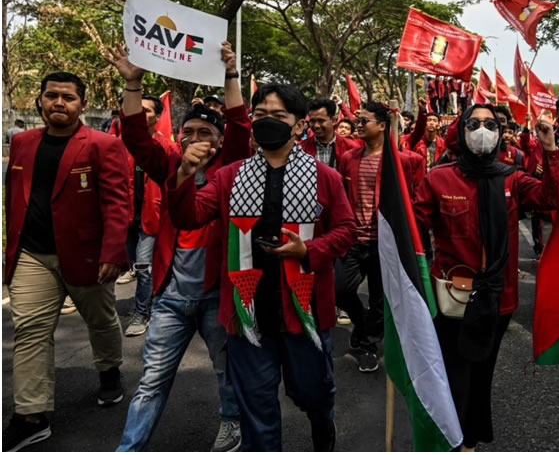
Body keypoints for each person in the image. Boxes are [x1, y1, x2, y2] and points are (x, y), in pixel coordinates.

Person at [166, 82, 356, 451]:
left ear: (299, 125)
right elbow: (188, 217)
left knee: (314, 394)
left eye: (279, 116)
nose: (268, 122)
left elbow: (347, 231)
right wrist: (184, 175)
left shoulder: (324, 177)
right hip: (247, 314)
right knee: (257, 409)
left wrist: (308, 250)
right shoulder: (229, 176)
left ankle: (323, 425)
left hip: (305, 314)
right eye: (261, 114)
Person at [106, 42, 251, 451]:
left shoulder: (233, 170)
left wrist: (230, 75)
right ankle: (129, 447)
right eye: (188, 133)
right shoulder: (169, 165)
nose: (194, 140)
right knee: (151, 380)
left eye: (205, 134)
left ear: (221, 143)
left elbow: (240, 126)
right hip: (170, 298)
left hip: (216, 296)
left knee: (227, 371)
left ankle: (231, 423)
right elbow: (136, 138)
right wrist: (133, 84)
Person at [414, 103, 559, 451]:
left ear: (500, 133)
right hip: (451, 297)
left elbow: (551, 198)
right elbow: (413, 228)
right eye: (475, 123)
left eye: (491, 124)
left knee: (481, 371)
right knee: (454, 371)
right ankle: (448, 436)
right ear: (462, 131)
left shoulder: (511, 176)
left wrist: (550, 149)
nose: (483, 130)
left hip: (499, 296)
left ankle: (469, 438)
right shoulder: (439, 178)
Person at [3, 72, 130, 452]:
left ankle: (109, 371)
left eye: (68, 97)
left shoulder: (103, 145)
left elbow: (117, 203)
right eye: (51, 96)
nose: (59, 102)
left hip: (87, 256)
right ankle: (31, 415)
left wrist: (112, 252)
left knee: (101, 320)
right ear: (40, 101)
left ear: (81, 104)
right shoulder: (22, 143)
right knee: (30, 331)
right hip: (32, 255)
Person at [335, 101, 420, 373]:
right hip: (353, 241)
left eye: (364, 121)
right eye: (356, 120)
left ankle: (368, 346)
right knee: (341, 290)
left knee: (379, 301)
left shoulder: (402, 162)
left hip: (385, 243)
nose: (357, 125)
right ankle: (362, 326)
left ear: (383, 126)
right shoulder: (349, 159)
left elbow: (414, 201)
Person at [119, 93, 180, 337]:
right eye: (138, 109)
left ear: (158, 115)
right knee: (133, 265)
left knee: (143, 267)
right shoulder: (120, 144)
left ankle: (141, 312)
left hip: (151, 217)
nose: (142, 114)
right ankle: (158, 298)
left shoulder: (167, 147)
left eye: (148, 110)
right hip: (126, 216)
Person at [299, 98, 359, 169]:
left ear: (333, 121)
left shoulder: (351, 148)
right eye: (312, 121)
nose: (316, 125)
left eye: (321, 120)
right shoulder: (301, 149)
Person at [406, 103, 446, 172]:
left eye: (434, 121)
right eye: (429, 120)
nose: (431, 123)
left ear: (439, 125)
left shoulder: (444, 144)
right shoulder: (417, 142)